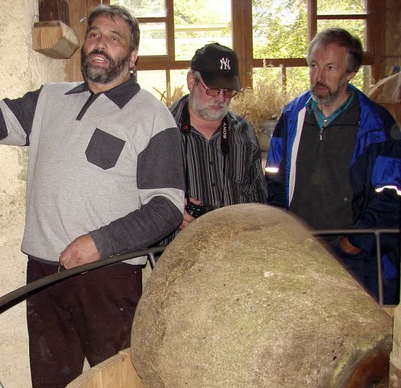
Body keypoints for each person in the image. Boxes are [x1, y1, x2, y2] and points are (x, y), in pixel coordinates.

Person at [0, 4, 186, 388]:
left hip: (108, 279)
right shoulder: (50, 100)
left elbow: (166, 208)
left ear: (133, 55)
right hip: (43, 276)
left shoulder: (152, 117)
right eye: (94, 34)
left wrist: (100, 243)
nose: (100, 43)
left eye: (114, 37)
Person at [265, 28, 400, 305]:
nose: (319, 77)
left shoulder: (376, 125)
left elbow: (392, 196)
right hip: (302, 252)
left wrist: (354, 243)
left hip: (358, 260)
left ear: (349, 74)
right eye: (314, 66)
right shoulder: (292, 117)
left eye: (330, 68)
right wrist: (285, 231)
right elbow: (274, 177)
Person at [168, 42, 267, 232]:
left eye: (228, 91)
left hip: (235, 250)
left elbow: (259, 201)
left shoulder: (244, 132)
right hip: (177, 253)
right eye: (213, 89)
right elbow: (136, 196)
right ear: (191, 81)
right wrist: (169, 213)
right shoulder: (161, 129)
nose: (221, 99)